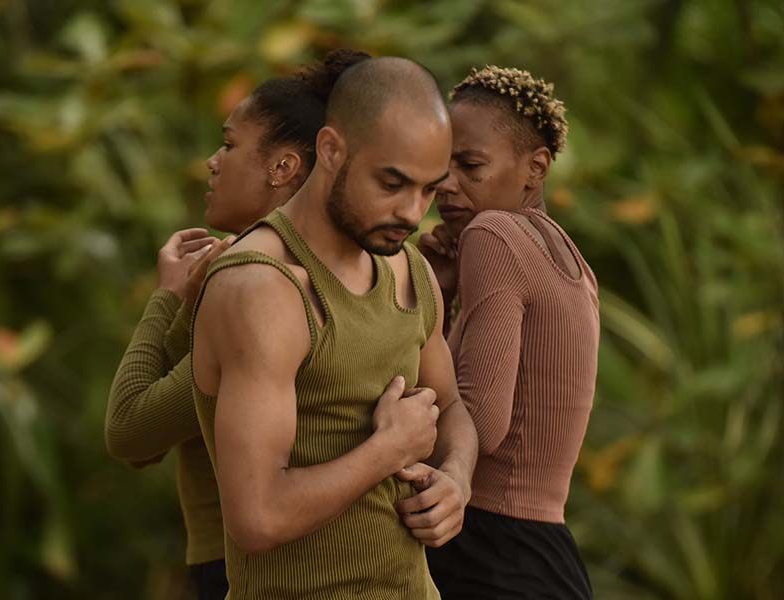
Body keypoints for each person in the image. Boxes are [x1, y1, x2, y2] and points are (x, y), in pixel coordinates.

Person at [190, 57, 479, 598]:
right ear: (330, 151)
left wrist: (456, 482)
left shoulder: (407, 267)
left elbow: (452, 407)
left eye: (428, 190)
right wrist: (387, 451)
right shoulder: (262, 288)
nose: (413, 213)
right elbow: (257, 517)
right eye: (392, 183)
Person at [105, 50, 370, 600]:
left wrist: (166, 298)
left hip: (246, 571)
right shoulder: (360, 271)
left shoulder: (253, 290)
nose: (212, 161)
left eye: (229, 144)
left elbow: (131, 433)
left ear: (284, 167)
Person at [419, 65, 598, 599]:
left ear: (534, 168)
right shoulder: (572, 261)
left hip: (489, 553)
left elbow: (481, 423)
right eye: (440, 167)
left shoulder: (492, 232)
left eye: (470, 165)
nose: (446, 185)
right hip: (544, 553)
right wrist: (444, 294)